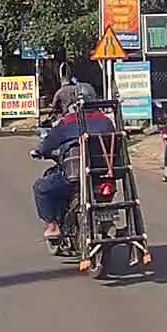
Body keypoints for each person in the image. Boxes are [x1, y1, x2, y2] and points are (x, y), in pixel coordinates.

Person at [30, 85, 115, 238]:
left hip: (74, 176)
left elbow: (48, 144)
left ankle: (53, 226)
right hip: (103, 173)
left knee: (41, 188)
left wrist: (39, 151)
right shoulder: (106, 121)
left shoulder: (68, 122)